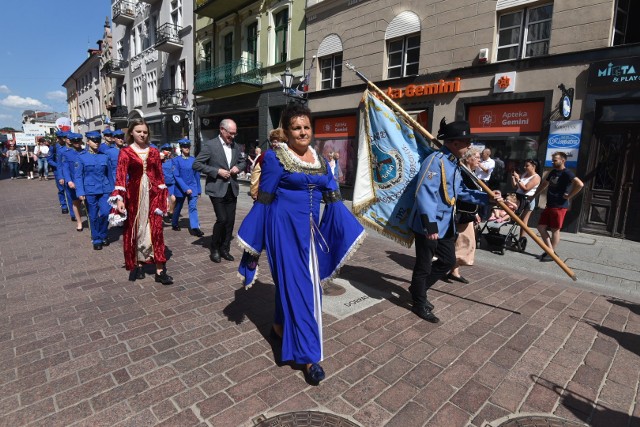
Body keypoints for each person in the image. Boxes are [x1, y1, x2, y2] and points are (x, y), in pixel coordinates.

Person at [237, 103, 365, 384]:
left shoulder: (317, 159)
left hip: (309, 234)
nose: (303, 131)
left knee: (293, 288)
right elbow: (265, 200)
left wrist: (353, 223)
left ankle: (279, 326)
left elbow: (332, 195)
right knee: (306, 292)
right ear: (286, 130)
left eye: (306, 126)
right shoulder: (274, 158)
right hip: (283, 232)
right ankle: (308, 358)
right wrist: (253, 246)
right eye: (297, 127)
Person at [409, 118, 496, 323]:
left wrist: (488, 198)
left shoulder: (452, 163)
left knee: (448, 261)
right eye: (466, 142)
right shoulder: (435, 160)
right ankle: (419, 301)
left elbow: (460, 192)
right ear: (455, 143)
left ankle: (417, 289)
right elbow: (425, 193)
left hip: (446, 223)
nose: (469, 146)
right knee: (423, 266)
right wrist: (429, 225)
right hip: (428, 224)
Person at [108, 118, 173, 285]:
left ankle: (160, 269)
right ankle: (137, 264)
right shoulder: (126, 152)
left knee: (156, 229)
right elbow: (121, 176)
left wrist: (164, 196)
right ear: (131, 132)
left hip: (153, 195)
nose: (142, 134)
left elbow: (159, 175)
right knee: (136, 228)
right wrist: (119, 198)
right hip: (134, 196)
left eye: (145, 132)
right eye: (139, 131)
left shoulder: (153, 151)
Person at [193, 118, 246, 264]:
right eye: (231, 134)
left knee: (230, 221)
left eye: (235, 134)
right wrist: (216, 171)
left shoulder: (236, 146)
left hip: (232, 188)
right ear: (222, 130)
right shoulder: (210, 145)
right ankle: (214, 248)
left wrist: (238, 168)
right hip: (216, 188)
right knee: (222, 219)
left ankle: (225, 248)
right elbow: (197, 164)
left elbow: (243, 161)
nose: (233, 137)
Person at [533, 151, 584, 261]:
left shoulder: (567, 173)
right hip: (549, 204)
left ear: (563, 160)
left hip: (560, 205)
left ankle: (550, 253)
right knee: (540, 227)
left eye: (555, 160)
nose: (552, 162)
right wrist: (533, 196)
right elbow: (544, 184)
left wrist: (570, 195)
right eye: (552, 160)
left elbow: (580, 184)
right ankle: (550, 251)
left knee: (555, 230)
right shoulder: (552, 172)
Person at [447, 147, 482, 284]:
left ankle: (453, 270)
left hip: (469, 214)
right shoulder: (462, 173)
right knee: (462, 243)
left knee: (463, 244)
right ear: (468, 158)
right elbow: (463, 194)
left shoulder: (471, 173)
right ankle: (450, 269)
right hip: (461, 214)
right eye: (477, 157)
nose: (479, 160)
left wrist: (476, 213)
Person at [74, 131, 112, 250]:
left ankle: (103, 233)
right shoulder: (81, 157)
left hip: (105, 189)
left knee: (106, 212)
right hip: (90, 190)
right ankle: (96, 238)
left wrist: (114, 190)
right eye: (94, 141)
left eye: (98, 141)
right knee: (93, 215)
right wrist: (80, 192)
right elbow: (78, 176)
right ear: (88, 142)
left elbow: (109, 174)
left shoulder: (104, 156)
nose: (96, 143)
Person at [172, 138, 203, 237]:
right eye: (184, 146)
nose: (187, 148)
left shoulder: (193, 160)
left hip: (192, 186)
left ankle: (195, 228)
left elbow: (197, 176)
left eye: (188, 146)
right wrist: (185, 188)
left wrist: (198, 190)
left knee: (193, 207)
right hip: (181, 188)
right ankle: (175, 222)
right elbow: (176, 176)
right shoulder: (176, 160)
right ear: (181, 148)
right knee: (178, 206)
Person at [250, 128, 286, 200]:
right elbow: (256, 173)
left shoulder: (288, 155)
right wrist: (254, 191)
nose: (274, 144)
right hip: (267, 191)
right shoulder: (264, 155)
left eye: (277, 141)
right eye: (273, 141)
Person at [511, 158, 541, 239]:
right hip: (518, 198)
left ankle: (522, 238)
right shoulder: (525, 174)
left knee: (524, 221)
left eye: (527, 166)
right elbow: (515, 186)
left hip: (528, 200)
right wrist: (514, 178)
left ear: (533, 166)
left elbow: (526, 188)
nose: (525, 167)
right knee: (515, 218)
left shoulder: (536, 177)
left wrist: (518, 179)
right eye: (524, 165)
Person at [62, 133, 86, 232]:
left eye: (78, 141)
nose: (77, 143)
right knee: (76, 202)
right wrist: (69, 181)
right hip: (73, 182)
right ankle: (79, 222)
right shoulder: (67, 154)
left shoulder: (85, 152)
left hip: (85, 181)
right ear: (71, 142)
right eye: (74, 141)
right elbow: (65, 169)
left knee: (88, 202)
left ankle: (90, 219)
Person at [47, 131, 70, 214]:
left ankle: (71, 204)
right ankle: (64, 205)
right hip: (58, 171)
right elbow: (49, 159)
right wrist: (58, 165)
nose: (64, 140)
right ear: (58, 138)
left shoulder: (69, 146)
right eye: (62, 138)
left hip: (68, 171)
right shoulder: (54, 147)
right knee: (61, 189)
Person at [160, 144, 176, 222]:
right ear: (162, 151)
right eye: (166, 150)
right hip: (163, 183)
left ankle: (171, 212)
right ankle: (165, 214)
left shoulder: (173, 160)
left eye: (169, 150)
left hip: (172, 183)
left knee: (174, 199)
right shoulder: (159, 160)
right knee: (165, 200)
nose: (168, 151)